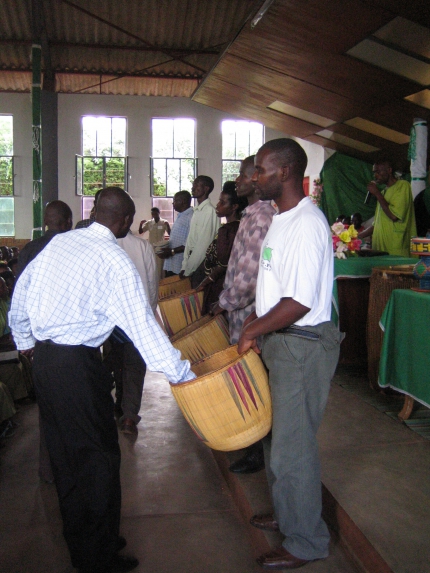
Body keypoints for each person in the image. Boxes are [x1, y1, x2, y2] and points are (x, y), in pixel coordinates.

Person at [9, 187, 195, 573]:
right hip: (77, 366)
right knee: (98, 459)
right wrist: (183, 374)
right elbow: (142, 327)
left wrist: (28, 342)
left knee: (65, 455)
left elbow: (20, 295)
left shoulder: (59, 244)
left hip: (46, 362)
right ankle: (97, 556)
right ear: (126, 221)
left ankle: (87, 537)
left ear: (94, 211)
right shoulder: (114, 257)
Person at [237, 139, 344, 570]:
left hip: (301, 344)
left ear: (283, 173)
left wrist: (251, 330)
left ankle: (306, 541)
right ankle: (288, 513)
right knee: (277, 437)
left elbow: (298, 301)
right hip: (281, 341)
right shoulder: (282, 219)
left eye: (260, 170)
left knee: (293, 448)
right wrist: (259, 329)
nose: (253, 177)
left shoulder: (306, 223)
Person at [211, 156, 275, 475]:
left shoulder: (262, 216)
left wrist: (225, 300)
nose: (237, 180)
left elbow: (249, 277)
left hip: (251, 315)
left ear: (255, 179)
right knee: (250, 381)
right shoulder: (252, 213)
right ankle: (254, 447)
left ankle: (257, 452)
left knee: (255, 382)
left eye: (243, 175)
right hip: (242, 316)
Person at [111, 231, 160, 435]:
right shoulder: (143, 246)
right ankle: (129, 415)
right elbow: (152, 283)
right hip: (137, 317)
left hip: (111, 320)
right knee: (134, 366)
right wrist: (148, 313)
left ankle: (119, 404)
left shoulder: (103, 245)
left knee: (116, 361)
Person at [196, 182, 247, 314]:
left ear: (234, 207)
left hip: (219, 284)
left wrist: (208, 279)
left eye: (222, 202)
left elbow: (223, 263)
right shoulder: (239, 226)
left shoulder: (228, 230)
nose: (217, 205)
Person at [358, 159, 416, 256]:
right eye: (374, 172)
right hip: (379, 247)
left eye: (378, 171)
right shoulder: (383, 193)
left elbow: (394, 216)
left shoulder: (403, 186)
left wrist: (376, 193)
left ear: (389, 170)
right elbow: (377, 224)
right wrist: (358, 236)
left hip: (395, 248)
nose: (375, 175)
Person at [179, 176, 220, 287]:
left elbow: (203, 245)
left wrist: (188, 269)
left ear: (206, 189)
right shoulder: (197, 211)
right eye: (193, 185)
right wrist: (184, 265)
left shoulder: (209, 211)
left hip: (201, 264)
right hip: (192, 264)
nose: (193, 188)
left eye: (196, 185)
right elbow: (190, 240)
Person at [16, 200, 73, 279]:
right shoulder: (74, 247)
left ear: (45, 221)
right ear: (69, 221)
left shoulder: (29, 249)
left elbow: (19, 283)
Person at [157, 191, 193, 277]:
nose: (173, 203)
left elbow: (190, 243)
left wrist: (172, 251)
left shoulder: (191, 217)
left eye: (175, 201)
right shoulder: (181, 215)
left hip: (180, 266)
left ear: (183, 201)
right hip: (171, 264)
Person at [138, 207, 171, 279]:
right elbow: (141, 232)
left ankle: (161, 280)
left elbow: (170, 233)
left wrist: (168, 225)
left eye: (155, 213)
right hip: (151, 247)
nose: (154, 215)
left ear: (159, 213)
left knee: (160, 264)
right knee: (152, 264)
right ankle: (152, 279)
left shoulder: (164, 222)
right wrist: (141, 224)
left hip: (160, 247)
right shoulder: (149, 223)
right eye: (152, 214)